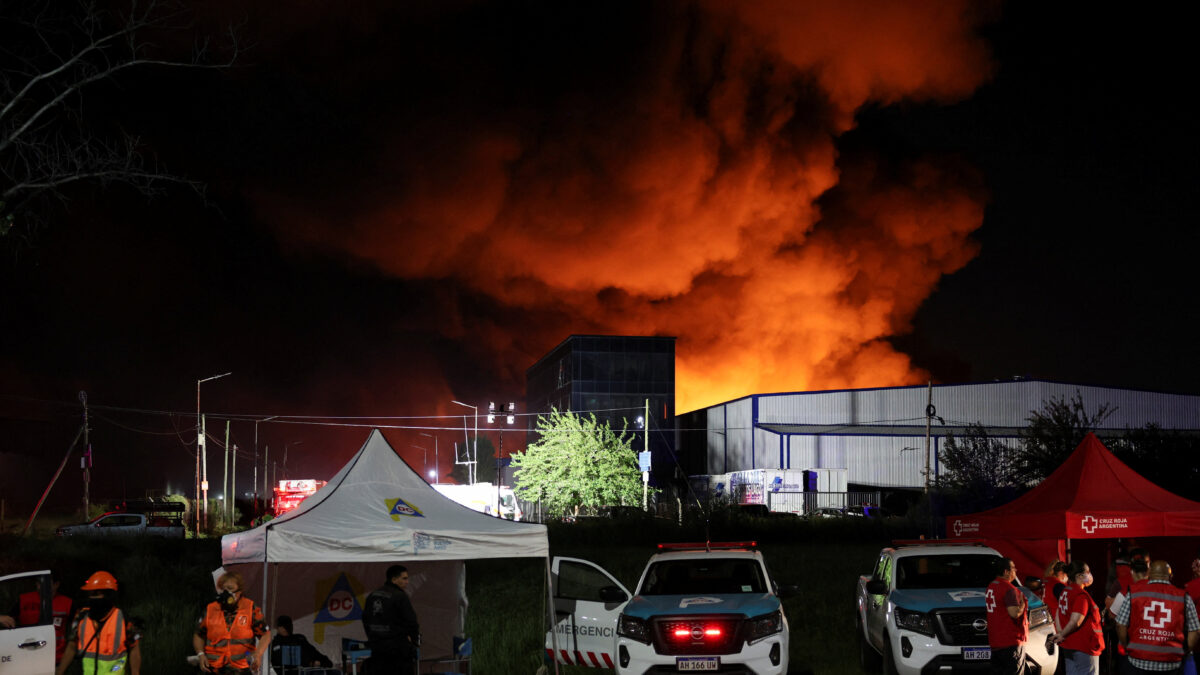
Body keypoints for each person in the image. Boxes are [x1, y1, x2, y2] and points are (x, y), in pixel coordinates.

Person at [1116, 560, 1200, 674]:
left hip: (1137, 662)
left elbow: (1120, 624)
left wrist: (1126, 646)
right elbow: (1195, 631)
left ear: (1149, 574)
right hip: (1171, 665)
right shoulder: (1183, 597)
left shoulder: (1134, 594)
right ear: (1171, 576)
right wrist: (1184, 650)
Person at [55, 571, 141, 675]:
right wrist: (59, 671)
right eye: (91, 593)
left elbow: (134, 647)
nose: (92, 597)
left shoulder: (123, 619)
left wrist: (135, 673)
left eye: (96, 593)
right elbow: (72, 646)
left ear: (108, 594)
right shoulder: (81, 617)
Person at [194, 571, 270, 674]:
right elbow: (198, 634)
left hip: (241, 669)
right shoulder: (211, 609)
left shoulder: (250, 608)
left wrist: (258, 654)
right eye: (223, 589)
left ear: (239, 592)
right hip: (214, 668)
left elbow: (265, 634)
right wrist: (200, 654)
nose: (226, 592)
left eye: (230, 589)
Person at [362, 564, 420, 675]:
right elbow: (411, 621)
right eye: (404, 578)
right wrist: (414, 641)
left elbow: (365, 619)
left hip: (378, 650)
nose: (407, 582)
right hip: (398, 651)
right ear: (394, 579)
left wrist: (372, 638)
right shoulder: (400, 596)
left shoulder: (373, 595)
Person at [1052, 560, 1104, 675]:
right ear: (1079, 576)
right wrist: (1062, 634)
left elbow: (1058, 613)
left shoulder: (1065, 591)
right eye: (1088, 572)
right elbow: (1076, 621)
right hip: (1083, 646)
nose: (1090, 575)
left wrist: (1061, 633)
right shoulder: (1081, 595)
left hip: (1069, 645)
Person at [15, 572, 74, 663]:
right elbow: (8, 619)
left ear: (56, 585)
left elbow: (75, 631)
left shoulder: (67, 603)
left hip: (55, 657)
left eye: (44, 584)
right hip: (27, 654)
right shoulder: (24, 599)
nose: (39, 587)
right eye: (38, 583)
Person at [986, 557, 1028, 675]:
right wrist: (1023, 605)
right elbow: (1014, 613)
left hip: (996, 641)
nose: (1016, 570)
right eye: (1013, 568)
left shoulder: (992, 586)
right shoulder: (1009, 589)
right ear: (1006, 572)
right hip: (1010, 640)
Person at [269, 615, 334, 674]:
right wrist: (310, 663)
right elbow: (283, 663)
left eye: (289, 626)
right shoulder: (275, 643)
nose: (287, 628)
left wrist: (321, 663)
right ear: (279, 628)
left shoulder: (299, 639)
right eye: (284, 626)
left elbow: (316, 654)